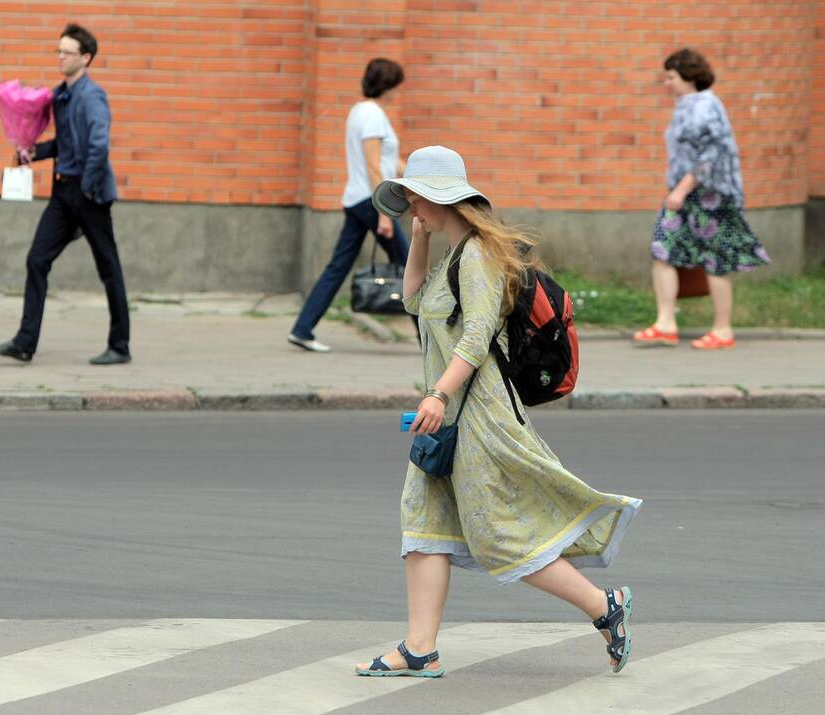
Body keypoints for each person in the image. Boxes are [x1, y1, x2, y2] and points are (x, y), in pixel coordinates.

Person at [355, 146, 642, 678]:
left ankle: (606, 606)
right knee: (423, 520)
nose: (411, 207)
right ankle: (420, 648)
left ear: (443, 198)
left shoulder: (479, 256)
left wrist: (438, 395)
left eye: (417, 198)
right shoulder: (452, 255)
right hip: (448, 418)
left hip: (480, 417)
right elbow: (413, 302)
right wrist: (419, 238)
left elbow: (476, 335)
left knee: (498, 533)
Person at [0, 23, 131, 365]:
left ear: (85, 58)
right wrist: (33, 152)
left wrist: (87, 188)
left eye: (67, 52)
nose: (60, 57)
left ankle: (120, 346)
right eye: (59, 50)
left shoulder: (92, 97)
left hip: (88, 194)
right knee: (37, 259)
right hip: (62, 193)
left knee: (108, 268)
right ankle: (24, 343)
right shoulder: (61, 96)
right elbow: (65, 144)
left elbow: (98, 146)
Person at [633, 48, 770, 350]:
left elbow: (710, 156)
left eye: (671, 77)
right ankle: (665, 324)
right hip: (685, 194)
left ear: (689, 76)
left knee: (715, 259)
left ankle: (723, 330)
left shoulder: (706, 106)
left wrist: (681, 190)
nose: (666, 83)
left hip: (711, 196)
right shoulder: (687, 105)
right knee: (663, 250)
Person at [288, 58, 408, 353]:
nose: (398, 91)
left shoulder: (359, 111)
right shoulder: (373, 115)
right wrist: (384, 214)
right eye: (396, 85)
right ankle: (429, 338)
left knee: (338, 266)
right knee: (409, 264)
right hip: (370, 202)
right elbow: (373, 166)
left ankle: (302, 328)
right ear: (388, 85)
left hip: (357, 199)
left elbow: (388, 161)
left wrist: (417, 175)